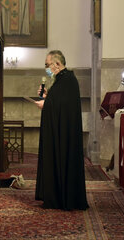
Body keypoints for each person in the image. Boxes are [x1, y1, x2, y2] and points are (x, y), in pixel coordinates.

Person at [34, 50, 89, 210]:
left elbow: (64, 106)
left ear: (57, 64)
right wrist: (46, 97)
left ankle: (62, 198)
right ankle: (54, 196)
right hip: (58, 132)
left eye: (47, 65)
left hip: (65, 136)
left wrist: (47, 103)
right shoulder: (61, 80)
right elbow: (58, 101)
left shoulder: (68, 80)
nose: (47, 69)